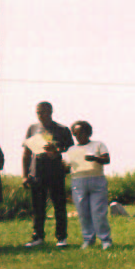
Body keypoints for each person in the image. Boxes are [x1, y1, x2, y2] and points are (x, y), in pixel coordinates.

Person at [22, 101, 74, 248]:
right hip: (37, 173)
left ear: (50, 112)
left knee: (59, 206)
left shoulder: (62, 129)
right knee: (38, 207)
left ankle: (61, 237)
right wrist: (25, 175)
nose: (41, 115)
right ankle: (38, 237)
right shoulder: (32, 128)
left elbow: (71, 150)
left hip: (56, 172)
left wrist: (56, 149)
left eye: (43, 112)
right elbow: (26, 153)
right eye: (38, 112)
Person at [65, 121, 112, 249]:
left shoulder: (98, 145)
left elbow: (106, 159)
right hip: (78, 180)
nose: (78, 136)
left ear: (88, 133)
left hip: (96, 178)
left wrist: (95, 158)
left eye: (81, 133)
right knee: (82, 212)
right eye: (75, 134)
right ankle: (88, 239)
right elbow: (66, 166)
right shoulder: (71, 150)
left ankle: (105, 239)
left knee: (98, 211)